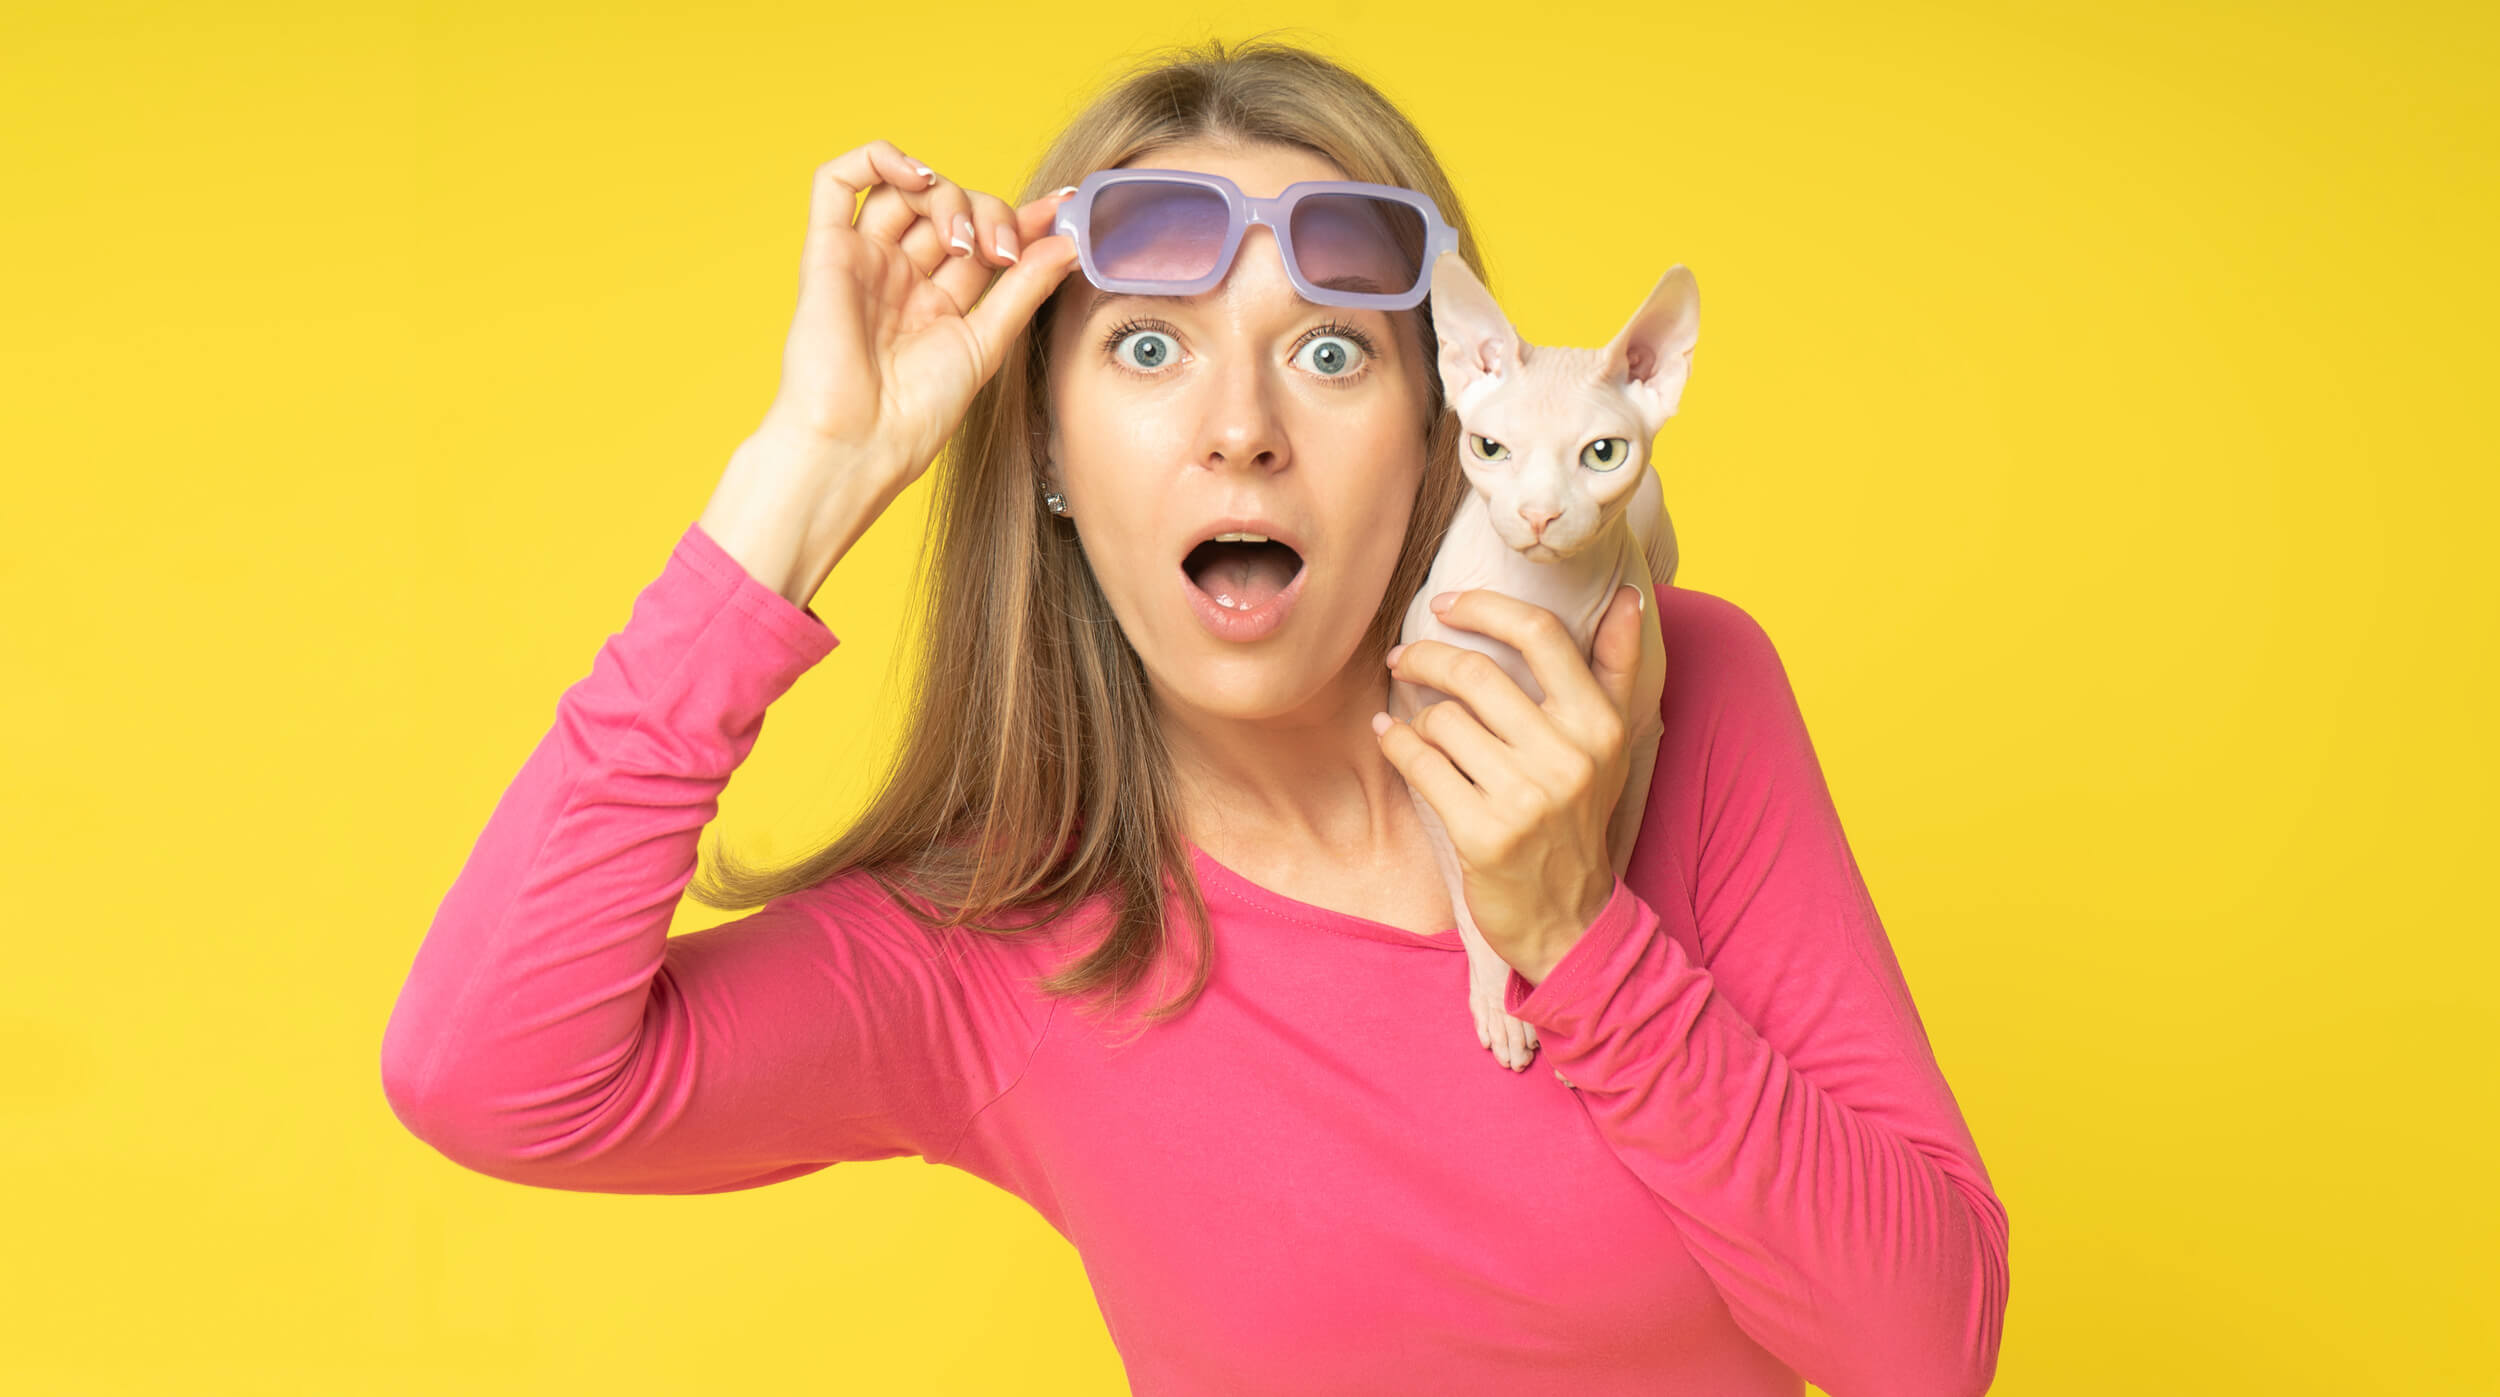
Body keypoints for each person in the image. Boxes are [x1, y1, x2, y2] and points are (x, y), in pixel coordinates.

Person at [379, 36, 2009, 1397]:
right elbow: (486, 1076)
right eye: (1150, 349)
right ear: (1048, 457)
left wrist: (1579, 933)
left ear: (1449, 427)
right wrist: (803, 481)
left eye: (1328, 354)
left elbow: (1923, 1347)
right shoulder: (998, 948)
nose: (1241, 429)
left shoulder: (1672, 692)